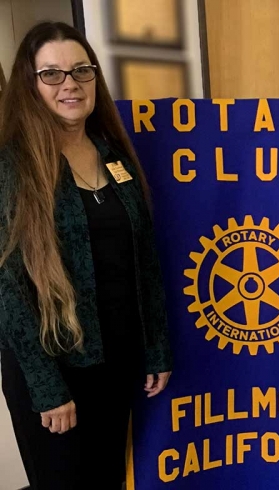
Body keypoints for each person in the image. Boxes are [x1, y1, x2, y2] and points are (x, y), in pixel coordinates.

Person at [0, 22, 172, 489]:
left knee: (107, 478)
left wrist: (155, 348)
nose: (70, 84)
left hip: (115, 363)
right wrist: (47, 387)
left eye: (80, 70)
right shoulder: (13, 166)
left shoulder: (113, 153)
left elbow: (145, 259)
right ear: (30, 84)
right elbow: (7, 291)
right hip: (54, 371)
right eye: (51, 73)